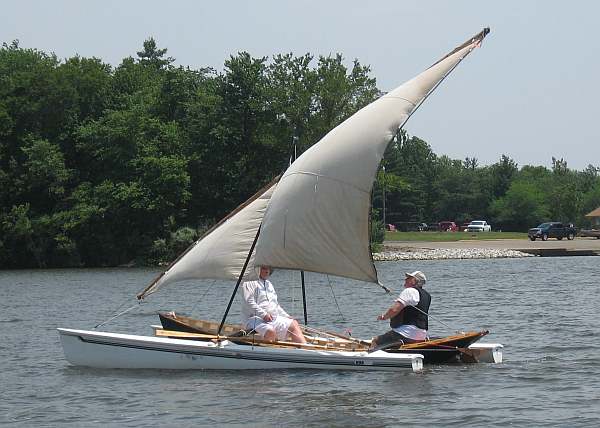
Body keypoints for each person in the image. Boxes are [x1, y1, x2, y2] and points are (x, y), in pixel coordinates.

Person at [241, 265, 307, 344]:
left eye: (268, 269)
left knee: (294, 324)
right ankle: (267, 350)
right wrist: (264, 314)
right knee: (270, 332)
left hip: (272, 319)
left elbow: (276, 305)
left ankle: (305, 348)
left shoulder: (269, 284)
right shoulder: (249, 283)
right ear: (257, 269)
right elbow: (249, 302)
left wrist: (286, 316)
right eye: (264, 268)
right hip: (254, 319)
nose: (267, 271)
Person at [370, 270, 430, 351]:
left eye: (409, 278)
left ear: (414, 281)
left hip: (405, 334)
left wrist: (384, 317)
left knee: (375, 341)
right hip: (421, 335)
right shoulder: (427, 295)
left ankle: (371, 355)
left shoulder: (409, 291)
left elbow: (394, 309)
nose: (405, 279)